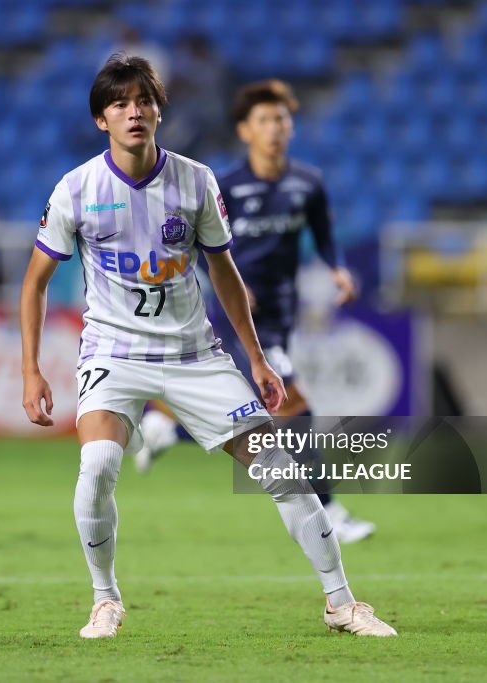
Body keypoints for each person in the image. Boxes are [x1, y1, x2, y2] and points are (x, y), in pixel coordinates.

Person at [20, 55, 396, 639]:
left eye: (143, 100)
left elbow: (225, 274)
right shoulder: (77, 189)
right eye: (120, 103)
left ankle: (342, 603)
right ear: (102, 119)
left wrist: (256, 357)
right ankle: (105, 600)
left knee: (282, 469)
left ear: (159, 109)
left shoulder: (195, 181)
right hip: (113, 356)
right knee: (97, 464)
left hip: (193, 355)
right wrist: (31, 371)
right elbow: (35, 282)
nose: (134, 111)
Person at [133, 79, 376, 544]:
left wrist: (338, 270)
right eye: (264, 120)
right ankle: (329, 513)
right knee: (293, 406)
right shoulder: (224, 186)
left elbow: (324, 235)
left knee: (255, 416)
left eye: (282, 119)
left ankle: (169, 428)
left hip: (282, 313)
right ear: (245, 130)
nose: (275, 129)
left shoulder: (308, 183)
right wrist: (233, 283)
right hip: (237, 313)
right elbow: (197, 246)